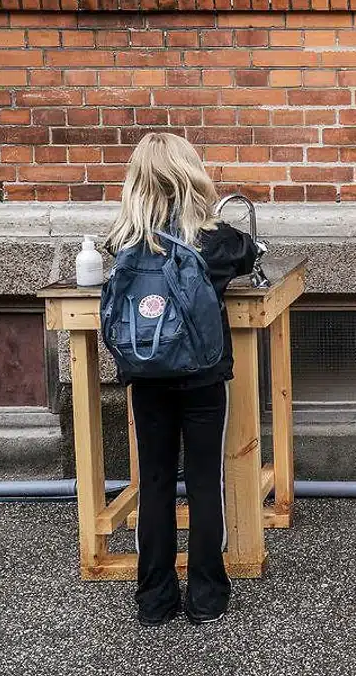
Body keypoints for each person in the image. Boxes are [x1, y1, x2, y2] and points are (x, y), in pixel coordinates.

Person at [105, 133, 258, 626]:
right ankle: (207, 595)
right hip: (202, 377)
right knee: (204, 481)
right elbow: (248, 252)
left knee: (154, 482)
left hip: (145, 374)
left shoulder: (124, 241)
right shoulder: (211, 241)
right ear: (189, 175)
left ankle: (155, 598)